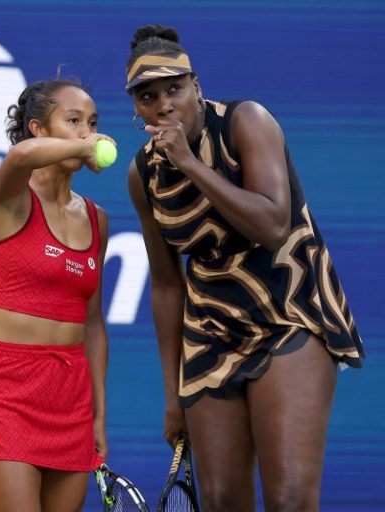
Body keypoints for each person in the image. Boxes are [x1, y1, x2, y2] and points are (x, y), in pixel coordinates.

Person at [123, 24, 364, 512]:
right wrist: (172, 392)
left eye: (174, 88)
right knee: (222, 502)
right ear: (137, 109)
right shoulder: (143, 173)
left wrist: (191, 164)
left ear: (196, 86)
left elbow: (273, 225)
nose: (164, 104)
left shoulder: (246, 120)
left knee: (290, 499)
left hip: (289, 313)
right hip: (210, 331)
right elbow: (167, 286)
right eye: (148, 97)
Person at [0, 78, 114, 512]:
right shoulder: (12, 196)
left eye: (93, 123)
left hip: (70, 395)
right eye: (73, 120)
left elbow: (93, 323)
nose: (86, 132)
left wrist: (97, 413)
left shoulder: (97, 219)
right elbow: (19, 157)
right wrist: (86, 147)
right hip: (4, 389)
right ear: (38, 129)